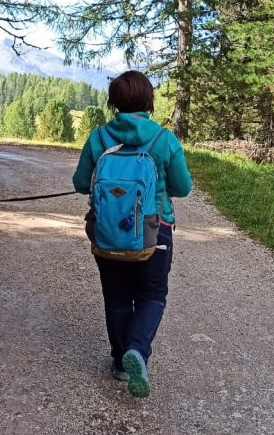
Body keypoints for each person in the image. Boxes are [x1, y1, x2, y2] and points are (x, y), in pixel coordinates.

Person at [71, 70, 193, 398]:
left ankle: (121, 363)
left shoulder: (98, 138)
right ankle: (138, 350)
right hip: (155, 234)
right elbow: (183, 188)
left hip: (107, 234)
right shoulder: (163, 139)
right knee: (153, 296)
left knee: (117, 296)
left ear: (114, 103)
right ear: (149, 102)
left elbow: (81, 183)